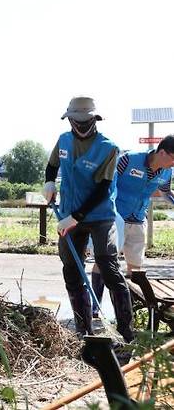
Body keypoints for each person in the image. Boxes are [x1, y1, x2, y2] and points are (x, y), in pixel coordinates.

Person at [42, 96, 134, 342]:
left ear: (95, 119)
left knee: (107, 266)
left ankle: (125, 332)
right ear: (69, 119)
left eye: (86, 121)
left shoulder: (108, 148)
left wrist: (76, 217)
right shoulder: (63, 140)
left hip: (100, 215)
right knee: (71, 269)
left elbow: (103, 189)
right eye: (76, 121)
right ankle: (84, 331)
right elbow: (51, 166)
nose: (81, 127)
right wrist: (49, 182)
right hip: (68, 214)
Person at [91, 135, 174, 317]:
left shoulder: (168, 172)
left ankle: (130, 312)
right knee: (103, 262)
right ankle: (94, 307)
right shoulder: (128, 159)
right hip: (115, 219)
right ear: (162, 152)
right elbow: (107, 182)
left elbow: (166, 192)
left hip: (138, 220)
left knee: (136, 268)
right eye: (173, 158)